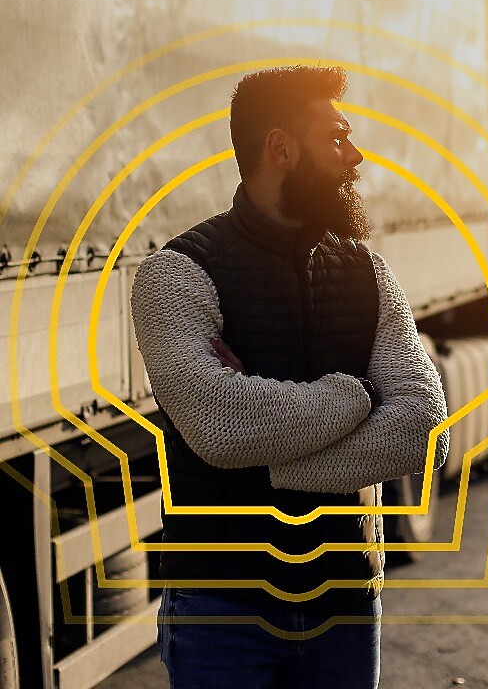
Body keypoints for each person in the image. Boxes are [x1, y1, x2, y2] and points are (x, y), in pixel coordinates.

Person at [129, 65, 449, 689]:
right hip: (223, 611)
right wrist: (352, 397)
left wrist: (271, 463)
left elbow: (423, 425)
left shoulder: (367, 272)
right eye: (335, 138)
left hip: (346, 606)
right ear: (280, 148)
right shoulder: (176, 274)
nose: (355, 157)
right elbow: (219, 426)